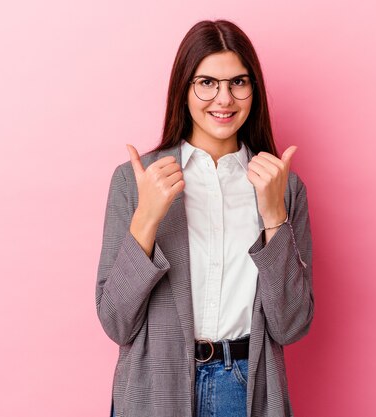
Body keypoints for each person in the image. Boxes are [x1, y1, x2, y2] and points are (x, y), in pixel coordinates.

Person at [96, 19, 314, 417]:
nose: (224, 98)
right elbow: (116, 322)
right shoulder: (136, 181)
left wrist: (274, 218)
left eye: (238, 82)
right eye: (207, 82)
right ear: (185, 87)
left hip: (246, 389)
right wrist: (146, 218)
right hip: (155, 389)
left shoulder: (282, 187)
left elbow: (291, 325)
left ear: (254, 90)